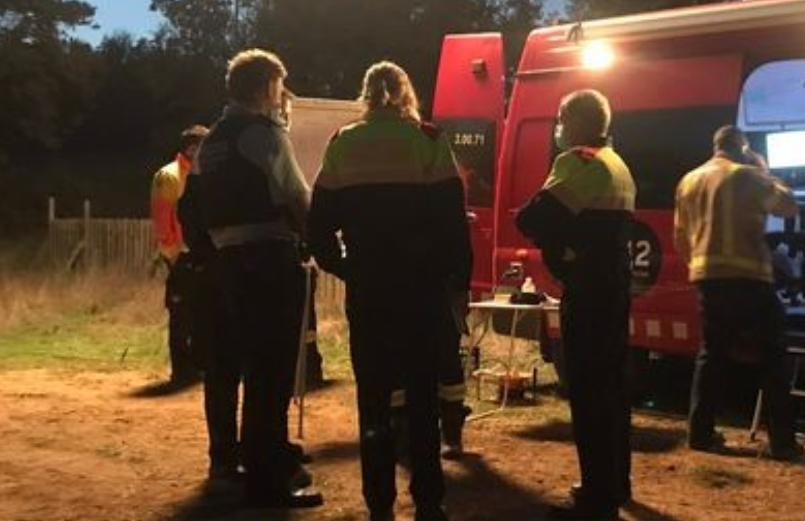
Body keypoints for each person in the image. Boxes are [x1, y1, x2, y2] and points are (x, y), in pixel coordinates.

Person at [308, 61, 472, 521]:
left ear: (365, 95)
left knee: (373, 399)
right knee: (423, 398)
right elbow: (453, 224)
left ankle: (378, 504)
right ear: (405, 93)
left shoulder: (343, 143)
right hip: (420, 292)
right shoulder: (428, 140)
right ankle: (428, 501)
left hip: (369, 290)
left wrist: (344, 268)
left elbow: (318, 227)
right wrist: (455, 282)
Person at [195, 48, 322, 508]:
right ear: (265, 86)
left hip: (227, 263)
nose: (281, 95)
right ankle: (268, 480)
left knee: (245, 364)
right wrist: (324, 243)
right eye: (278, 85)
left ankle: (254, 457)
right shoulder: (263, 134)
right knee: (272, 371)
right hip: (268, 258)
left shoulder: (212, 140)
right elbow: (296, 194)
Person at [516, 89, 635, 520]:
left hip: (587, 291)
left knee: (588, 393)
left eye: (562, 117)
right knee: (614, 389)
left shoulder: (578, 162)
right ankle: (616, 483)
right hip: (615, 288)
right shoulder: (617, 163)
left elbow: (531, 218)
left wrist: (556, 244)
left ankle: (595, 497)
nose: (558, 126)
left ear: (579, 121)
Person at [674, 125, 804, 462]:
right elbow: (788, 206)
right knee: (773, 357)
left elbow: (680, 236)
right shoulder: (749, 175)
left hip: (708, 279)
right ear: (742, 147)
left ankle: (700, 435)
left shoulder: (689, 180)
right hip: (750, 278)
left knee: (711, 355)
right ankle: (782, 441)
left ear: (716, 146)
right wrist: (765, 171)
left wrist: (699, 267)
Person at [150, 125, 208, 386]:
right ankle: (182, 370)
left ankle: (197, 366)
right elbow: (163, 220)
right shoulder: (170, 176)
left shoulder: (198, 174)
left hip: (198, 253)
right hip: (181, 255)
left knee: (200, 313)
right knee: (181, 315)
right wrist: (173, 254)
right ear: (192, 148)